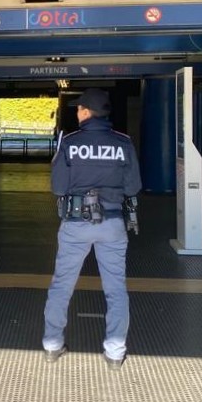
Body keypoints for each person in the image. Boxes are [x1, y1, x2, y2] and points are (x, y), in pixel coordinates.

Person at [43, 88, 141, 368]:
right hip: (112, 224)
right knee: (116, 288)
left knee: (62, 285)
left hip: (75, 224)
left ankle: (52, 344)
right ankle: (115, 351)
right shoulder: (123, 143)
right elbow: (133, 186)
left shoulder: (70, 143)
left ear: (86, 112)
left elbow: (58, 187)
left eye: (78, 109)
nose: (77, 113)